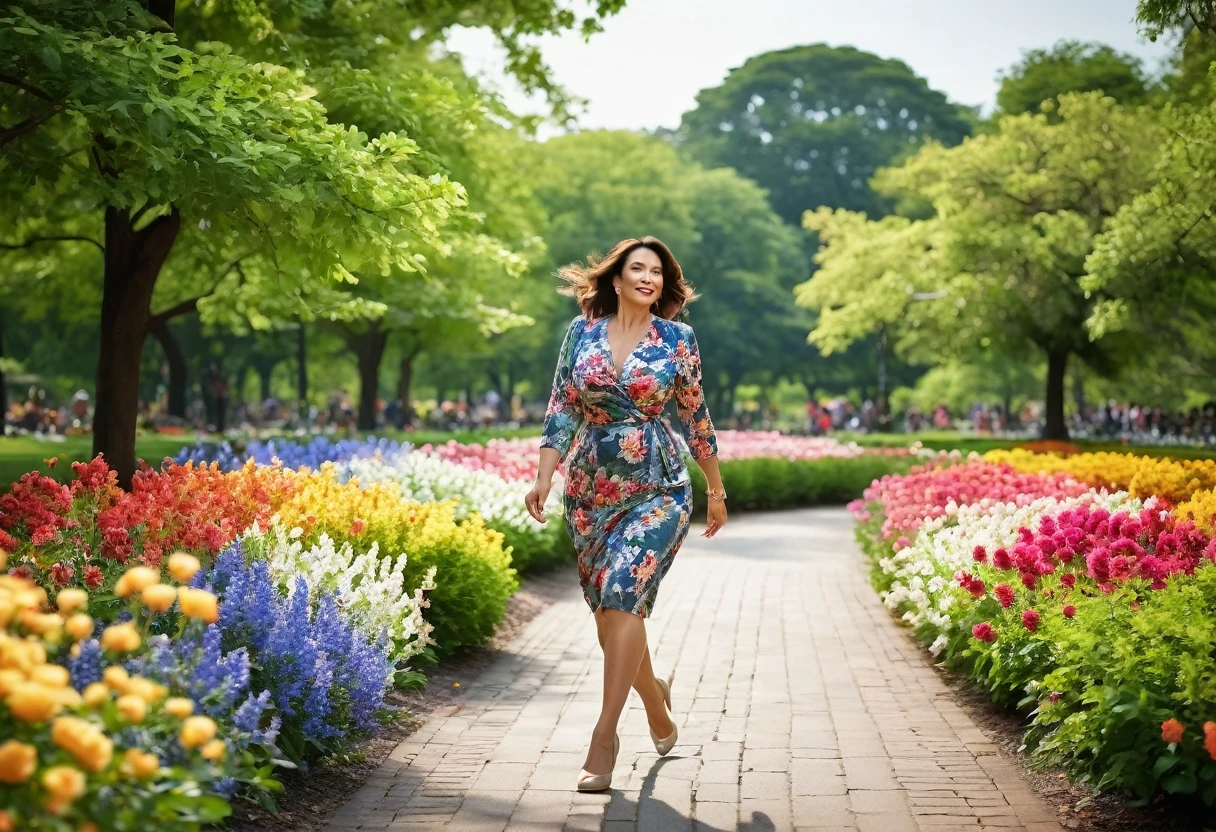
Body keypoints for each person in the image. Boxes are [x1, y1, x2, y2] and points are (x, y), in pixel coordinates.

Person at [524, 237, 727, 792]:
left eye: (656, 272)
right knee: (611, 617)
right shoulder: (581, 332)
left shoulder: (677, 340)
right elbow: (562, 407)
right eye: (637, 268)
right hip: (590, 489)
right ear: (616, 280)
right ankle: (656, 703)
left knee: (623, 595)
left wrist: (715, 488)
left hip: (658, 487)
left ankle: (605, 734)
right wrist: (545, 473)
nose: (648, 278)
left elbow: (696, 416)